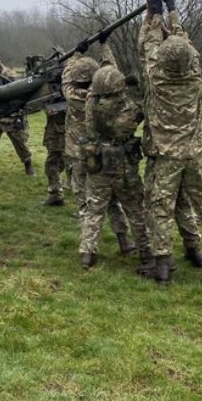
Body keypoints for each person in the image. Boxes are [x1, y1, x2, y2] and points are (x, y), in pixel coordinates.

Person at [141, 0, 202, 283]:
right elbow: (185, 46)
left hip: (167, 158)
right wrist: (173, 11)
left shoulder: (156, 77)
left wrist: (154, 15)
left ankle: (162, 265)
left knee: (161, 210)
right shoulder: (194, 76)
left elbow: (150, 45)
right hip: (195, 154)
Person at [62, 38, 135, 256]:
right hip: (104, 152)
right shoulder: (102, 96)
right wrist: (105, 47)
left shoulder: (72, 95)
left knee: (85, 202)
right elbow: (112, 71)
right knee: (112, 200)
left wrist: (76, 54)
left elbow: (66, 77)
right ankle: (123, 240)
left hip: (78, 154)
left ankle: (88, 249)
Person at [78, 64, 145, 269]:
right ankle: (147, 252)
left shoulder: (90, 103)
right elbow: (136, 118)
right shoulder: (128, 106)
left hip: (97, 160)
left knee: (95, 209)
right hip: (121, 163)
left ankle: (87, 253)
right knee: (135, 209)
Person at [0, 52, 35, 179]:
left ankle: (28, 165)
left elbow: (20, 93)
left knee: (20, 143)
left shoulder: (9, 75)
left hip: (12, 115)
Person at [42, 101, 67, 206]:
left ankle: (56, 194)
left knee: (54, 163)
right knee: (54, 163)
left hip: (63, 132)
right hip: (57, 131)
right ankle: (55, 193)